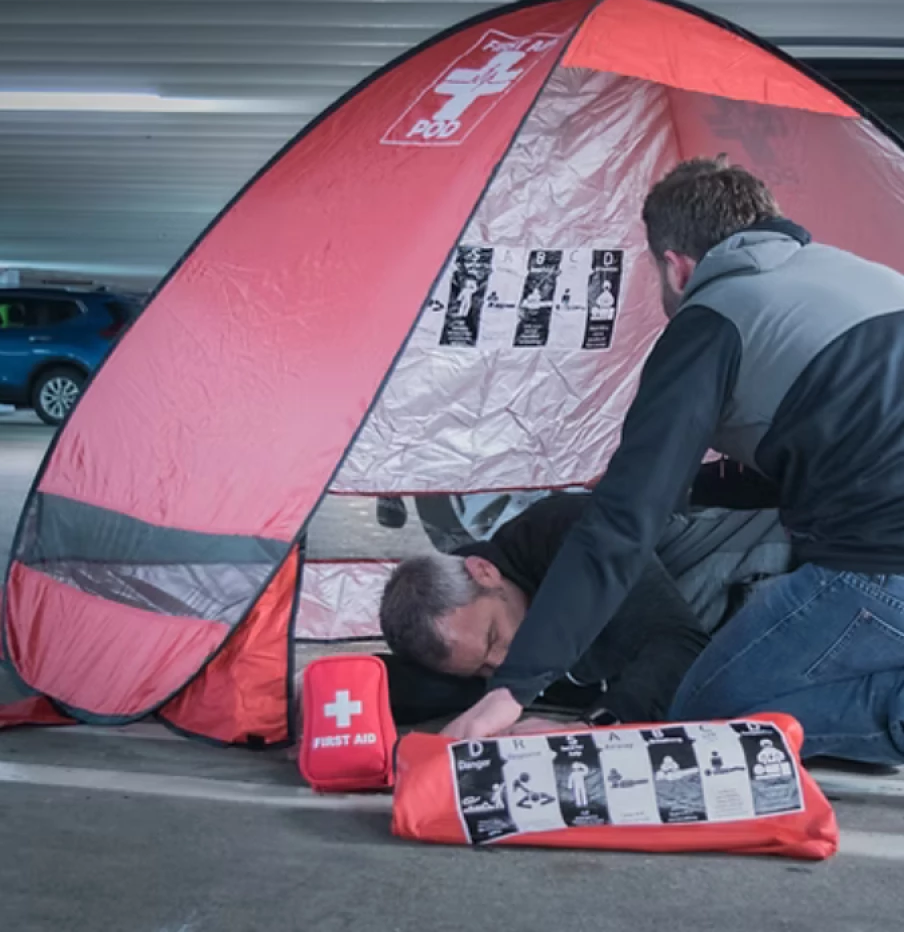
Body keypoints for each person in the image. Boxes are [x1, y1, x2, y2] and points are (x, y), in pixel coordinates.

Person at [443, 157, 904, 766]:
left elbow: (622, 525)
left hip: (882, 567)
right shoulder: (860, 278)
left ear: (675, 266)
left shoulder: (713, 318)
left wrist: (511, 691)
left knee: (700, 722)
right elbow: (836, 446)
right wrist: (678, 485)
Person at [379, 491, 790, 727]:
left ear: (484, 572)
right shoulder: (480, 631)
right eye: (482, 669)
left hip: (792, 577)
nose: (501, 662)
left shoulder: (570, 535)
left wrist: (590, 730)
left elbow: (676, 648)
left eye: (493, 636)